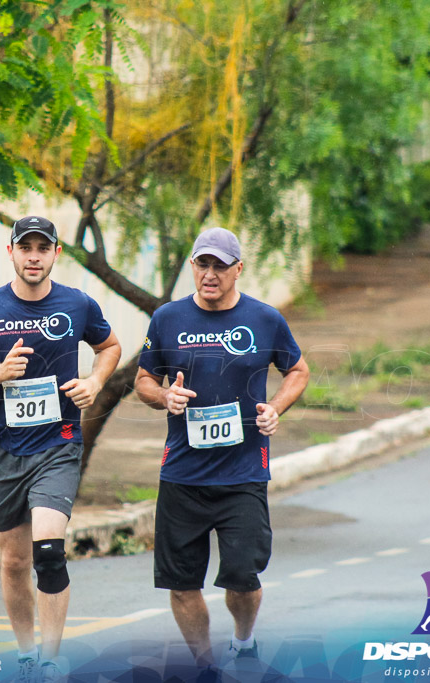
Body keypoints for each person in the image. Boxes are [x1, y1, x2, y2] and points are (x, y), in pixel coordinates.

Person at [0, 216, 122, 682]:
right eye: (24, 247)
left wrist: (94, 379)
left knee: (48, 552)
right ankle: (27, 654)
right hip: (6, 448)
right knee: (13, 561)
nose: (33, 256)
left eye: (41, 248)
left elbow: (109, 346)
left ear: (55, 253)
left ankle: (51, 661)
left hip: (58, 445)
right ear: (10, 252)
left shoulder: (77, 304)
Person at [134, 227, 309, 672]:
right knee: (180, 584)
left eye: (220, 266)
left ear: (238, 270)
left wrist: (276, 407)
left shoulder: (265, 319)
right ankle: (206, 667)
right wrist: (163, 398)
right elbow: (143, 380)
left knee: (243, 579)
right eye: (202, 264)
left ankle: (243, 639)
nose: (210, 274)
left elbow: (298, 371)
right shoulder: (168, 319)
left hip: (244, 473)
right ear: (192, 267)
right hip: (183, 475)